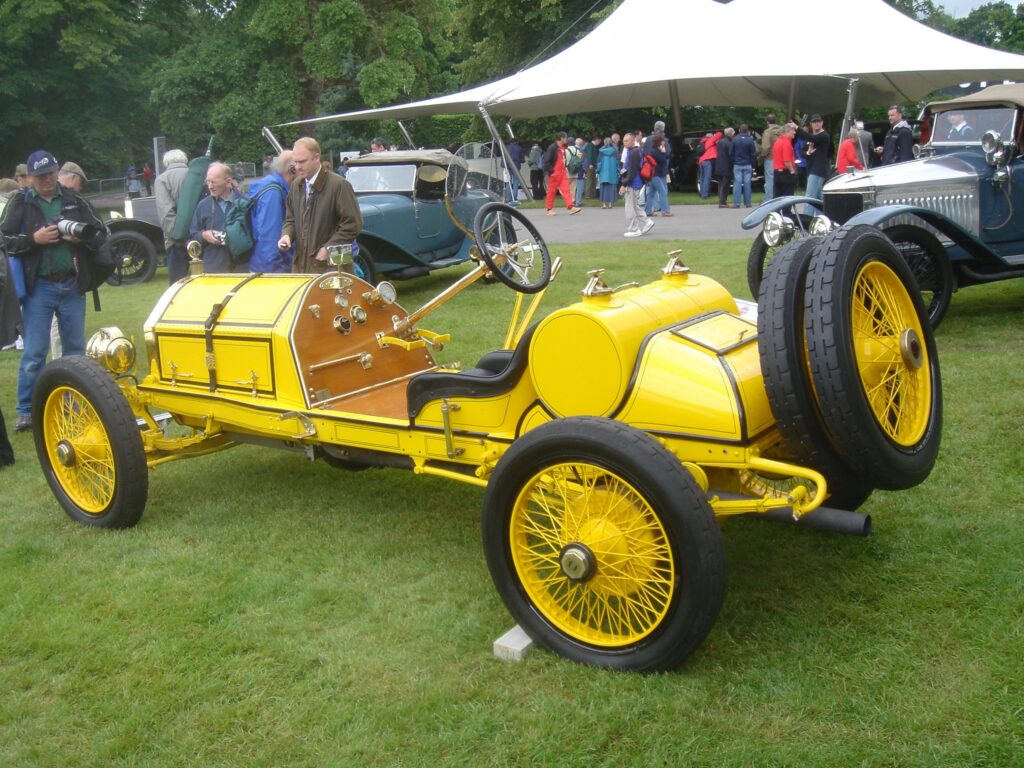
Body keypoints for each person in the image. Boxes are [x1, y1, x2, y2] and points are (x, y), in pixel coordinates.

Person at [1, 150, 107, 433]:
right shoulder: (20, 201)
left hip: (72, 284)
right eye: (40, 176)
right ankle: (25, 411)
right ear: (31, 178)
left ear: (57, 171)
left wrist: (80, 239)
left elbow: (100, 233)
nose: (47, 179)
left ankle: (74, 405)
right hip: (39, 287)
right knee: (35, 352)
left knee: (75, 351)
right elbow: (5, 239)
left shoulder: (74, 199)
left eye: (50, 173)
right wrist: (33, 240)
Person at [279, 137, 362, 274]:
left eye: (302, 161)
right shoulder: (296, 185)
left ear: (316, 158)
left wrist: (327, 249)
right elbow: (290, 219)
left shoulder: (339, 185)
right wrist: (286, 235)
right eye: (296, 162)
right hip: (302, 269)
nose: (298, 167)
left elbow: (354, 224)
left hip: (334, 270)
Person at [189, 162, 243, 273]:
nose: (209, 186)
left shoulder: (244, 203)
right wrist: (204, 235)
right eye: (208, 182)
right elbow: (192, 235)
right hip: (213, 269)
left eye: (213, 182)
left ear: (228, 182)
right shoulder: (203, 205)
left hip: (242, 269)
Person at [248, 150, 295, 273]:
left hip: (262, 266)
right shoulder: (273, 194)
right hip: (269, 271)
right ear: (292, 169)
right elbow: (269, 241)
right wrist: (279, 274)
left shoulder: (269, 186)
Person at [155, 149, 190, 284]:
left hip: (175, 242)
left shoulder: (163, 179)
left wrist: (178, 236)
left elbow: (166, 212)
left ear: (166, 163)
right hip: (200, 238)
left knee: (178, 285)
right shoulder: (196, 176)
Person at [618, 133, 654, 238]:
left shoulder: (633, 153)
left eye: (627, 140)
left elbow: (632, 172)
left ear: (633, 141)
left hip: (633, 183)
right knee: (634, 205)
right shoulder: (634, 151)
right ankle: (647, 221)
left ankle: (634, 229)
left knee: (630, 207)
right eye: (624, 141)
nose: (625, 143)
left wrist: (624, 184)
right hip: (634, 182)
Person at [796, 114, 831, 211]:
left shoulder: (824, 136)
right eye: (814, 122)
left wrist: (797, 128)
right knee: (818, 197)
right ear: (811, 124)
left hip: (818, 170)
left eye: (818, 122)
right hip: (811, 169)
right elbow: (802, 151)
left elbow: (810, 138)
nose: (816, 124)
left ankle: (806, 220)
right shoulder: (811, 137)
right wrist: (807, 152)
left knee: (810, 196)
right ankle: (826, 217)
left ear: (822, 123)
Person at [541, 132, 581, 216]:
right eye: (565, 138)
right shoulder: (552, 148)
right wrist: (551, 171)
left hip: (562, 172)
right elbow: (547, 161)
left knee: (566, 189)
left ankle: (571, 207)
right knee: (552, 191)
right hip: (555, 173)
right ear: (562, 138)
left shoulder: (563, 148)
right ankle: (549, 209)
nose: (566, 139)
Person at [643, 133, 672, 217]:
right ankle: (665, 210)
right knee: (662, 191)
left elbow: (666, 157)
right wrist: (663, 152)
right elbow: (663, 160)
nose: (664, 142)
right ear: (659, 142)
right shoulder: (655, 151)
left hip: (654, 174)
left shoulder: (655, 150)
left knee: (651, 193)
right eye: (662, 140)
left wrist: (663, 152)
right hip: (655, 174)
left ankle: (648, 211)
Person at [729, 124, 757, 208]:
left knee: (737, 183)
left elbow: (731, 153)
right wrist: (753, 164)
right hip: (748, 164)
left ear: (739, 130)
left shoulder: (735, 139)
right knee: (747, 183)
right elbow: (753, 154)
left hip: (737, 164)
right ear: (747, 130)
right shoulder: (750, 140)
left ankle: (737, 203)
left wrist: (733, 160)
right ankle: (748, 203)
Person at [772, 123, 799, 203]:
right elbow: (787, 160)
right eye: (793, 130)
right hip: (786, 172)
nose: (795, 132)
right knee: (787, 197)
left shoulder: (777, 142)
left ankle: (776, 213)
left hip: (777, 171)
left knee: (777, 197)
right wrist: (792, 170)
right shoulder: (787, 143)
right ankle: (786, 213)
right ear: (788, 131)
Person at [760, 115, 784, 200]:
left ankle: (769, 200)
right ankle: (780, 198)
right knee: (781, 179)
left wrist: (762, 155)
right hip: (782, 158)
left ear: (767, 122)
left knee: (770, 179)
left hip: (770, 158)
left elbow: (765, 147)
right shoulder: (783, 130)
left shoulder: (767, 132)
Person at [597, 137, 619, 208]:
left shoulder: (601, 151)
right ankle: (610, 204)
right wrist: (618, 170)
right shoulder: (615, 151)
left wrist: (597, 170)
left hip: (603, 172)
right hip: (612, 172)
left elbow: (599, 163)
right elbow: (617, 162)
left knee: (604, 187)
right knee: (612, 187)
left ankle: (604, 204)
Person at [715, 127, 734, 208]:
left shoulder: (720, 142)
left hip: (719, 165)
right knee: (725, 185)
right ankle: (722, 202)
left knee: (720, 184)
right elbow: (730, 155)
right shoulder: (728, 143)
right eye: (733, 134)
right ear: (730, 134)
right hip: (726, 166)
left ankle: (721, 200)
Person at [698, 131, 721, 199]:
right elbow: (719, 134)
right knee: (707, 178)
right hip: (707, 161)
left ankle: (702, 193)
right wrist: (714, 135)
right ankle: (705, 194)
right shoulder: (710, 140)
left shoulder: (703, 141)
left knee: (702, 178)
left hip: (701, 161)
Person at [504, 139, 525, 205]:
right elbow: (522, 160)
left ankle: (508, 198)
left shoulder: (506, 148)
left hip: (508, 166)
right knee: (516, 182)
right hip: (516, 167)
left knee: (508, 182)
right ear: (516, 142)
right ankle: (514, 197)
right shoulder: (519, 148)